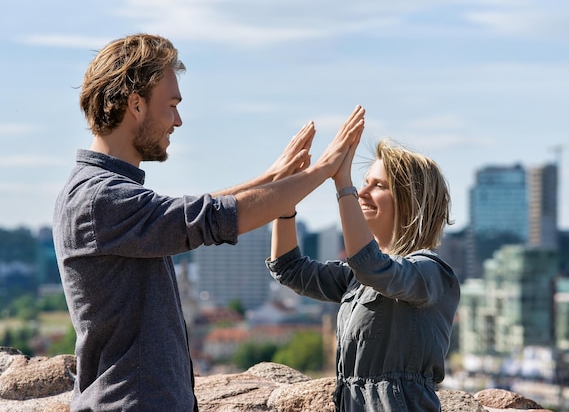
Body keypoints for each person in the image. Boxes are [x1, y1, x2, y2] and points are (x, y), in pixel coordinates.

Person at [52, 33, 365, 412]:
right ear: (135, 104)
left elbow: (196, 210)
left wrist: (273, 179)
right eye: (171, 105)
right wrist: (323, 172)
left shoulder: (101, 191)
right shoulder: (101, 198)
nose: (178, 120)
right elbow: (209, 218)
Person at [267, 138, 460, 412]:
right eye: (363, 182)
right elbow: (290, 269)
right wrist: (286, 197)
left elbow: (372, 267)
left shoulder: (432, 274)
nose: (361, 192)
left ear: (410, 199)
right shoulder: (357, 278)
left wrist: (342, 182)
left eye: (378, 185)